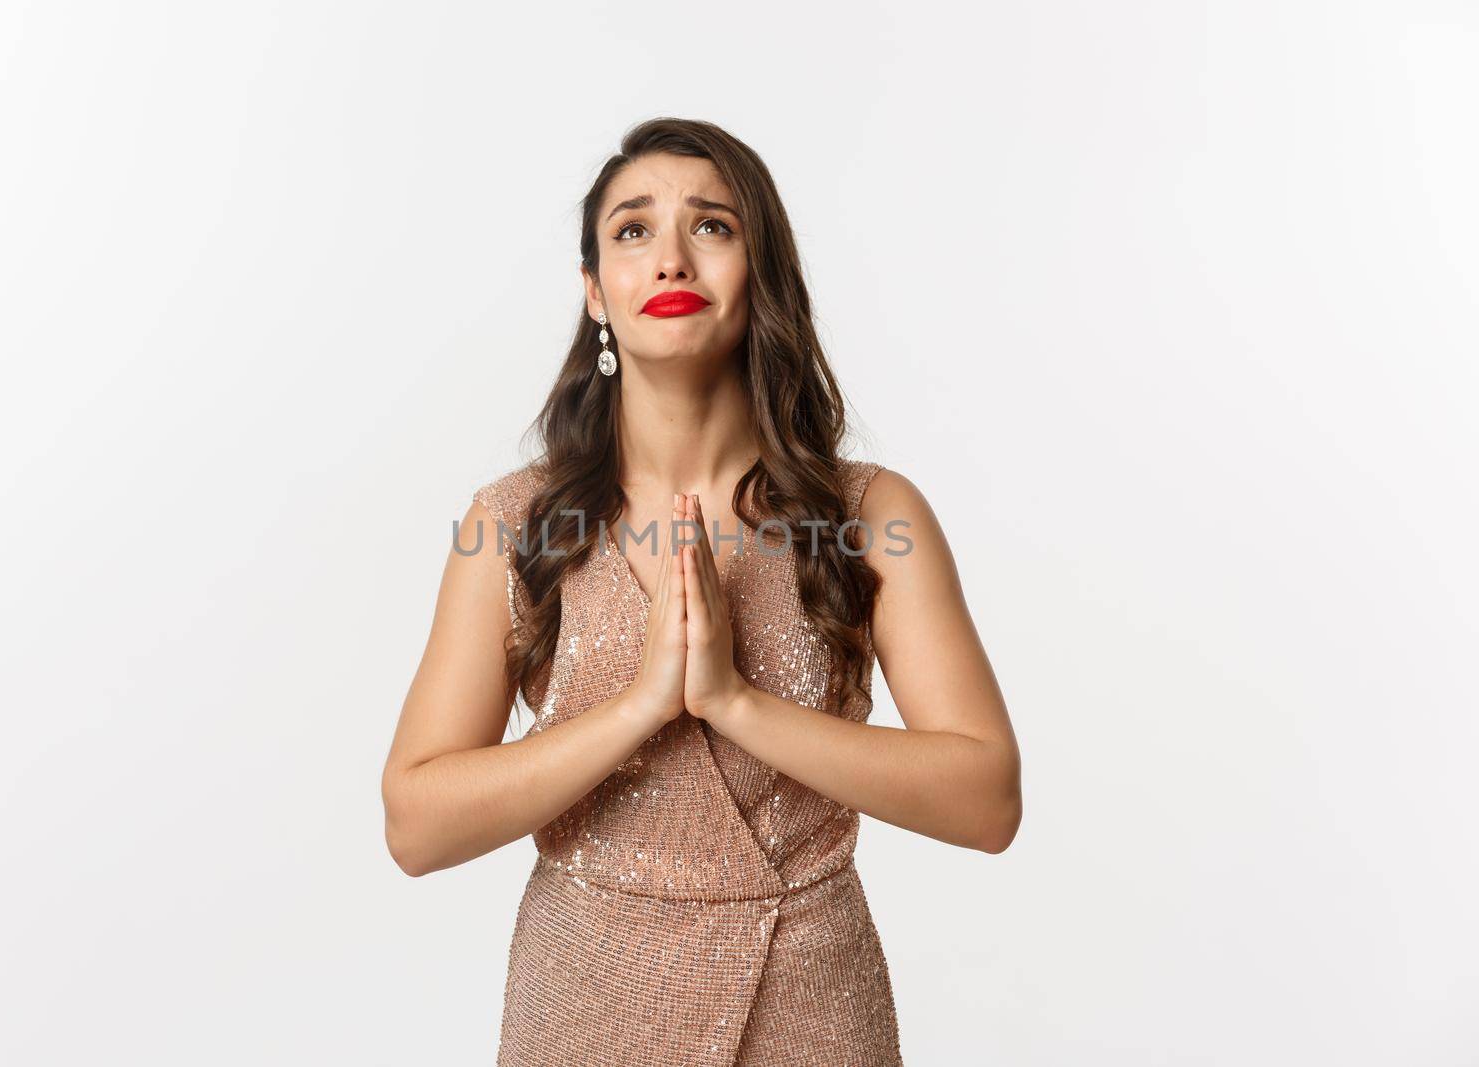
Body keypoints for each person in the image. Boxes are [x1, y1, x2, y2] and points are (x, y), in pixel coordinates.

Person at [381, 117, 1020, 1067]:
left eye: (712, 226)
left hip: (810, 1005)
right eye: (632, 231)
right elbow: (415, 821)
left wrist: (733, 702)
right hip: (585, 1005)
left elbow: (986, 799)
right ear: (595, 291)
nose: (671, 257)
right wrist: (642, 706)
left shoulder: (869, 512)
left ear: (760, 271)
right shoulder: (513, 522)